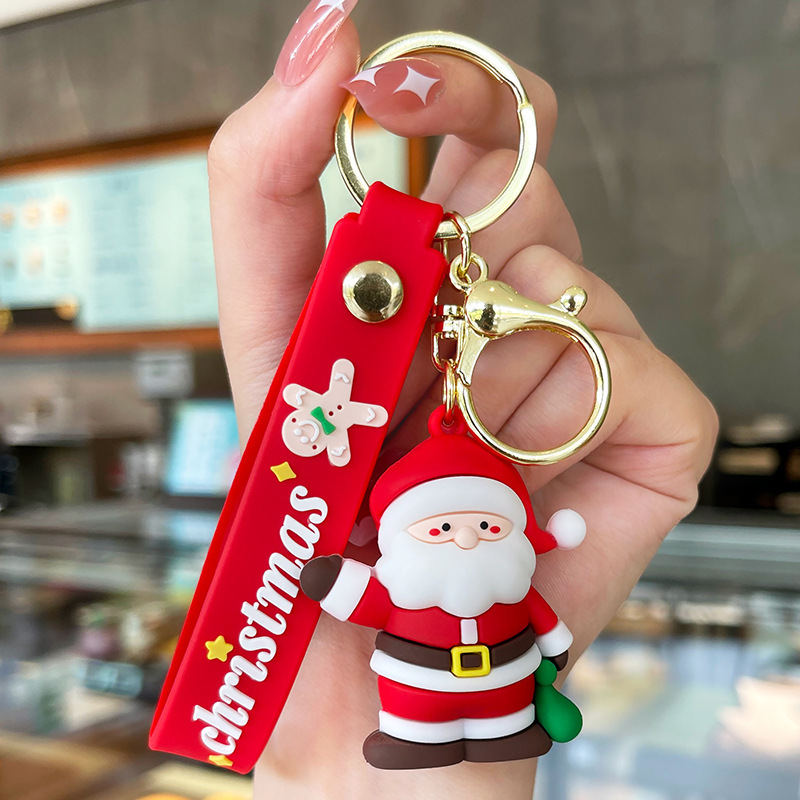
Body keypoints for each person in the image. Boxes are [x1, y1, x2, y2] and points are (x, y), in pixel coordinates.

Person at [207, 0, 718, 797]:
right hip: (409, 696)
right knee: (418, 720)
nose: (466, 535)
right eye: (449, 525)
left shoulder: (506, 572)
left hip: (504, 693)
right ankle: (414, 744)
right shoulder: (435, 579)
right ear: (395, 529)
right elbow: (358, 591)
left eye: (479, 524)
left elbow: (540, 623)